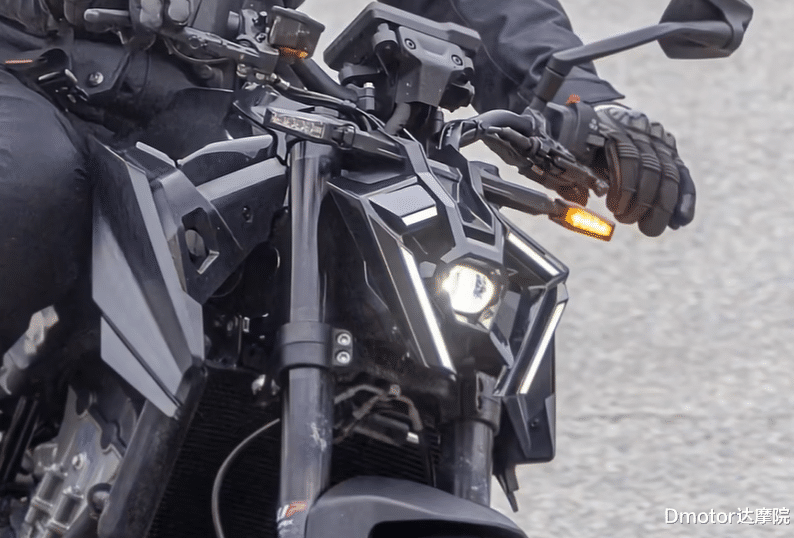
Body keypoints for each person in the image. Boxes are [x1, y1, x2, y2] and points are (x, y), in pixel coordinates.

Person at [0, 0, 695, 353]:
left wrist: (586, 110)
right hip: (21, 64)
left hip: (205, 86)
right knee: (29, 185)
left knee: (345, 226)